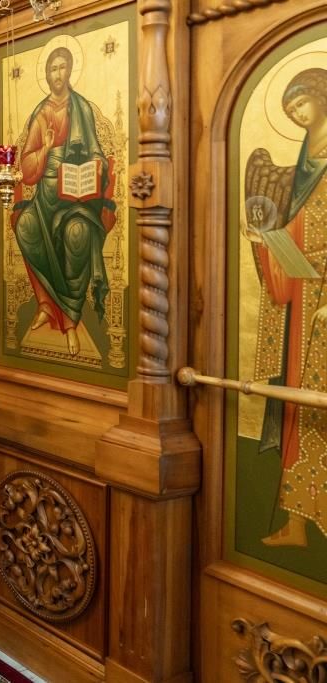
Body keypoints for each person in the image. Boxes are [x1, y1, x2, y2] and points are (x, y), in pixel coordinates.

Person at [244, 68, 327, 547]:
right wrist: (266, 240)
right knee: (298, 405)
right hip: (305, 303)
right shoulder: (304, 165)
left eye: (302, 104)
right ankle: (297, 523)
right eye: (290, 110)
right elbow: (301, 232)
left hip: (323, 307)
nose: (297, 115)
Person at [12, 46, 117, 356]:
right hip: (45, 197)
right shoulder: (41, 112)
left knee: (77, 233)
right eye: (52, 69)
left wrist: (94, 166)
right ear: (47, 75)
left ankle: (70, 318)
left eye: (62, 67)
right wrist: (45, 149)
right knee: (25, 226)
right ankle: (46, 304)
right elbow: (26, 169)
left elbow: (98, 153)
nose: (58, 74)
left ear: (70, 71)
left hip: (77, 196)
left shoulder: (81, 108)